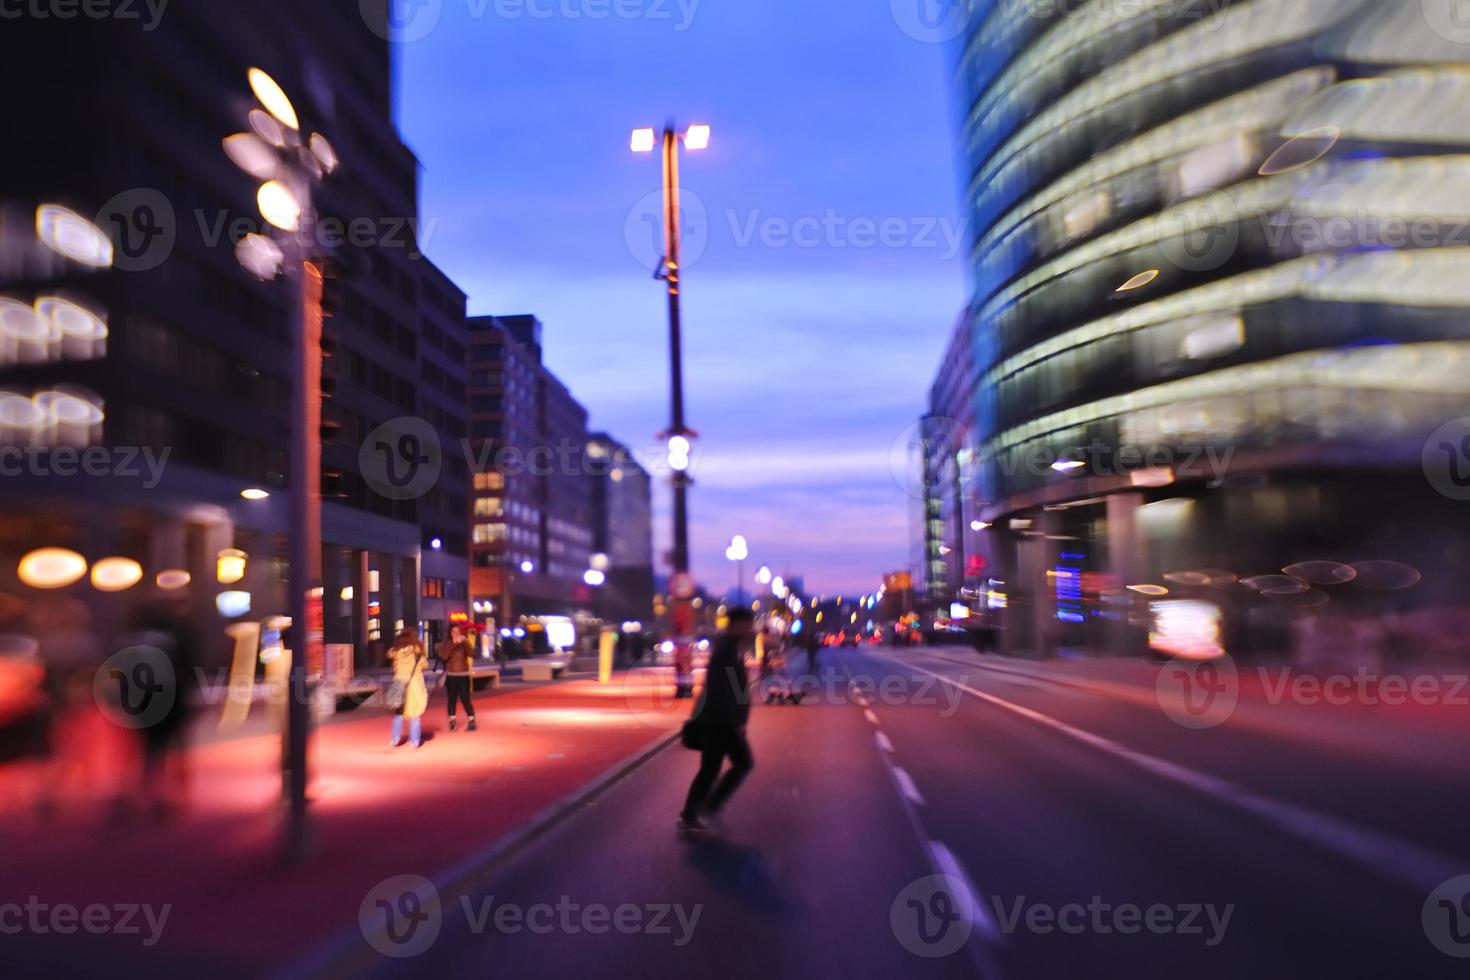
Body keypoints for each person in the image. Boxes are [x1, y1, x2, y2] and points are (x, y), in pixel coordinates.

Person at [679, 608, 756, 832]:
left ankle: (697, 810)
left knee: (712, 768)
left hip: (718, 719)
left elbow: (733, 687)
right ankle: (700, 809)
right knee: (738, 763)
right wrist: (738, 721)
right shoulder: (726, 651)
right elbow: (728, 689)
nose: (750, 628)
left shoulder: (729, 648)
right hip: (720, 721)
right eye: (747, 624)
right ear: (736, 624)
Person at [388, 628, 428, 748]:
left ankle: (395, 739)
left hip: (399, 682)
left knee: (399, 713)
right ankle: (414, 742)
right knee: (415, 713)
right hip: (414, 683)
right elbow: (424, 664)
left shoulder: (395, 652)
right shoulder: (417, 651)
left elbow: (394, 666)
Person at [437, 624, 477, 732]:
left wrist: (465, 642)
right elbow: (444, 656)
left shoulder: (464, 643)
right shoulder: (447, 644)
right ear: (450, 633)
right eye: (453, 631)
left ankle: (472, 720)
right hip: (451, 675)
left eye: (458, 631)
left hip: (463, 675)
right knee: (452, 699)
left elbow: (472, 653)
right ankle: (452, 721)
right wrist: (453, 644)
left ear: (461, 633)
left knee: (465, 699)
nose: (456, 633)